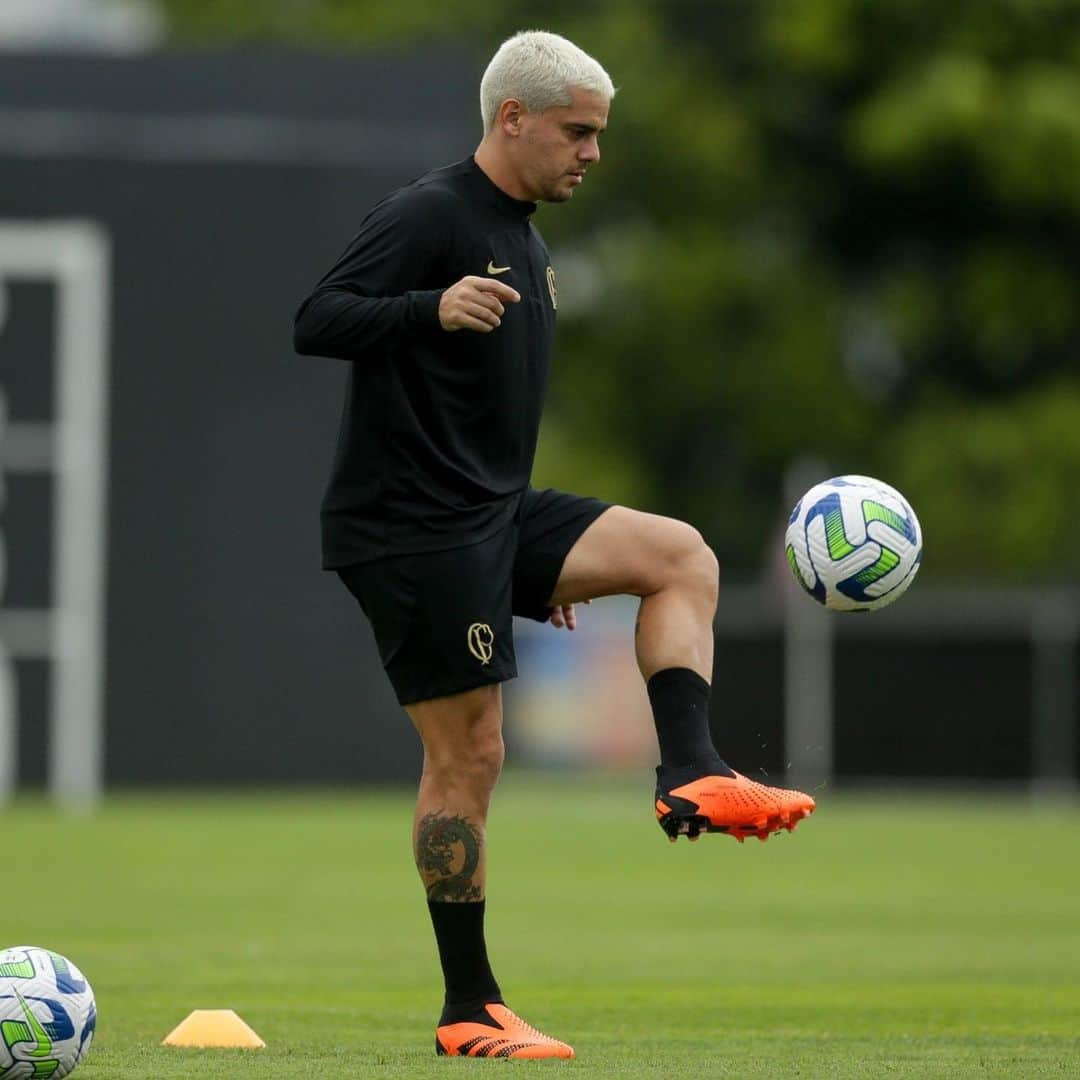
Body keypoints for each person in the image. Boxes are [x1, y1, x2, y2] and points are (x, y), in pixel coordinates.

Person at [294, 29, 814, 1061]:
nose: (593, 152)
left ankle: (690, 769)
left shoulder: (524, 235)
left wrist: (530, 570)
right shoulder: (431, 213)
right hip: (412, 529)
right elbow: (318, 317)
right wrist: (426, 306)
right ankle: (469, 1005)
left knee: (678, 556)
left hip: (491, 516)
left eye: (599, 134)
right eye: (578, 131)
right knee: (470, 754)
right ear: (512, 119)